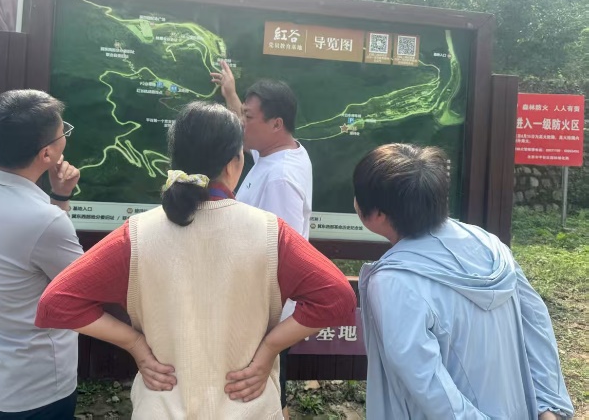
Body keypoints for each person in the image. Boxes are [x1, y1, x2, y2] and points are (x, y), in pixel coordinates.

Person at [36, 101, 356, 420]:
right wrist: (270, 349)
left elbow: (57, 303)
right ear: (233, 163)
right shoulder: (272, 233)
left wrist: (135, 344)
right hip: (248, 408)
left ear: (175, 161)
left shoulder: (136, 234)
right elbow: (338, 299)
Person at [354, 143, 574, 420]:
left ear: (377, 214)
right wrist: (548, 405)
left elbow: (425, 382)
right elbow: (536, 320)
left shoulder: (393, 282)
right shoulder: (489, 245)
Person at [0, 90, 83, 419]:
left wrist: (59, 196)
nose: (64, 139)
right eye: (63, 133)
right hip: (37, 389)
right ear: (46, 153)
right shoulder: (43, 220)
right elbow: (83, 290)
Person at [211, 61, 312, 418]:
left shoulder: (281, 179)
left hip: (266, 315)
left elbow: (281, 253)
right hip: (258, 309)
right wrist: (230, 93)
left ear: (276, 124)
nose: (241, 122)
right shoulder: (280, 151)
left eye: (248, 116)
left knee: (260, 392)